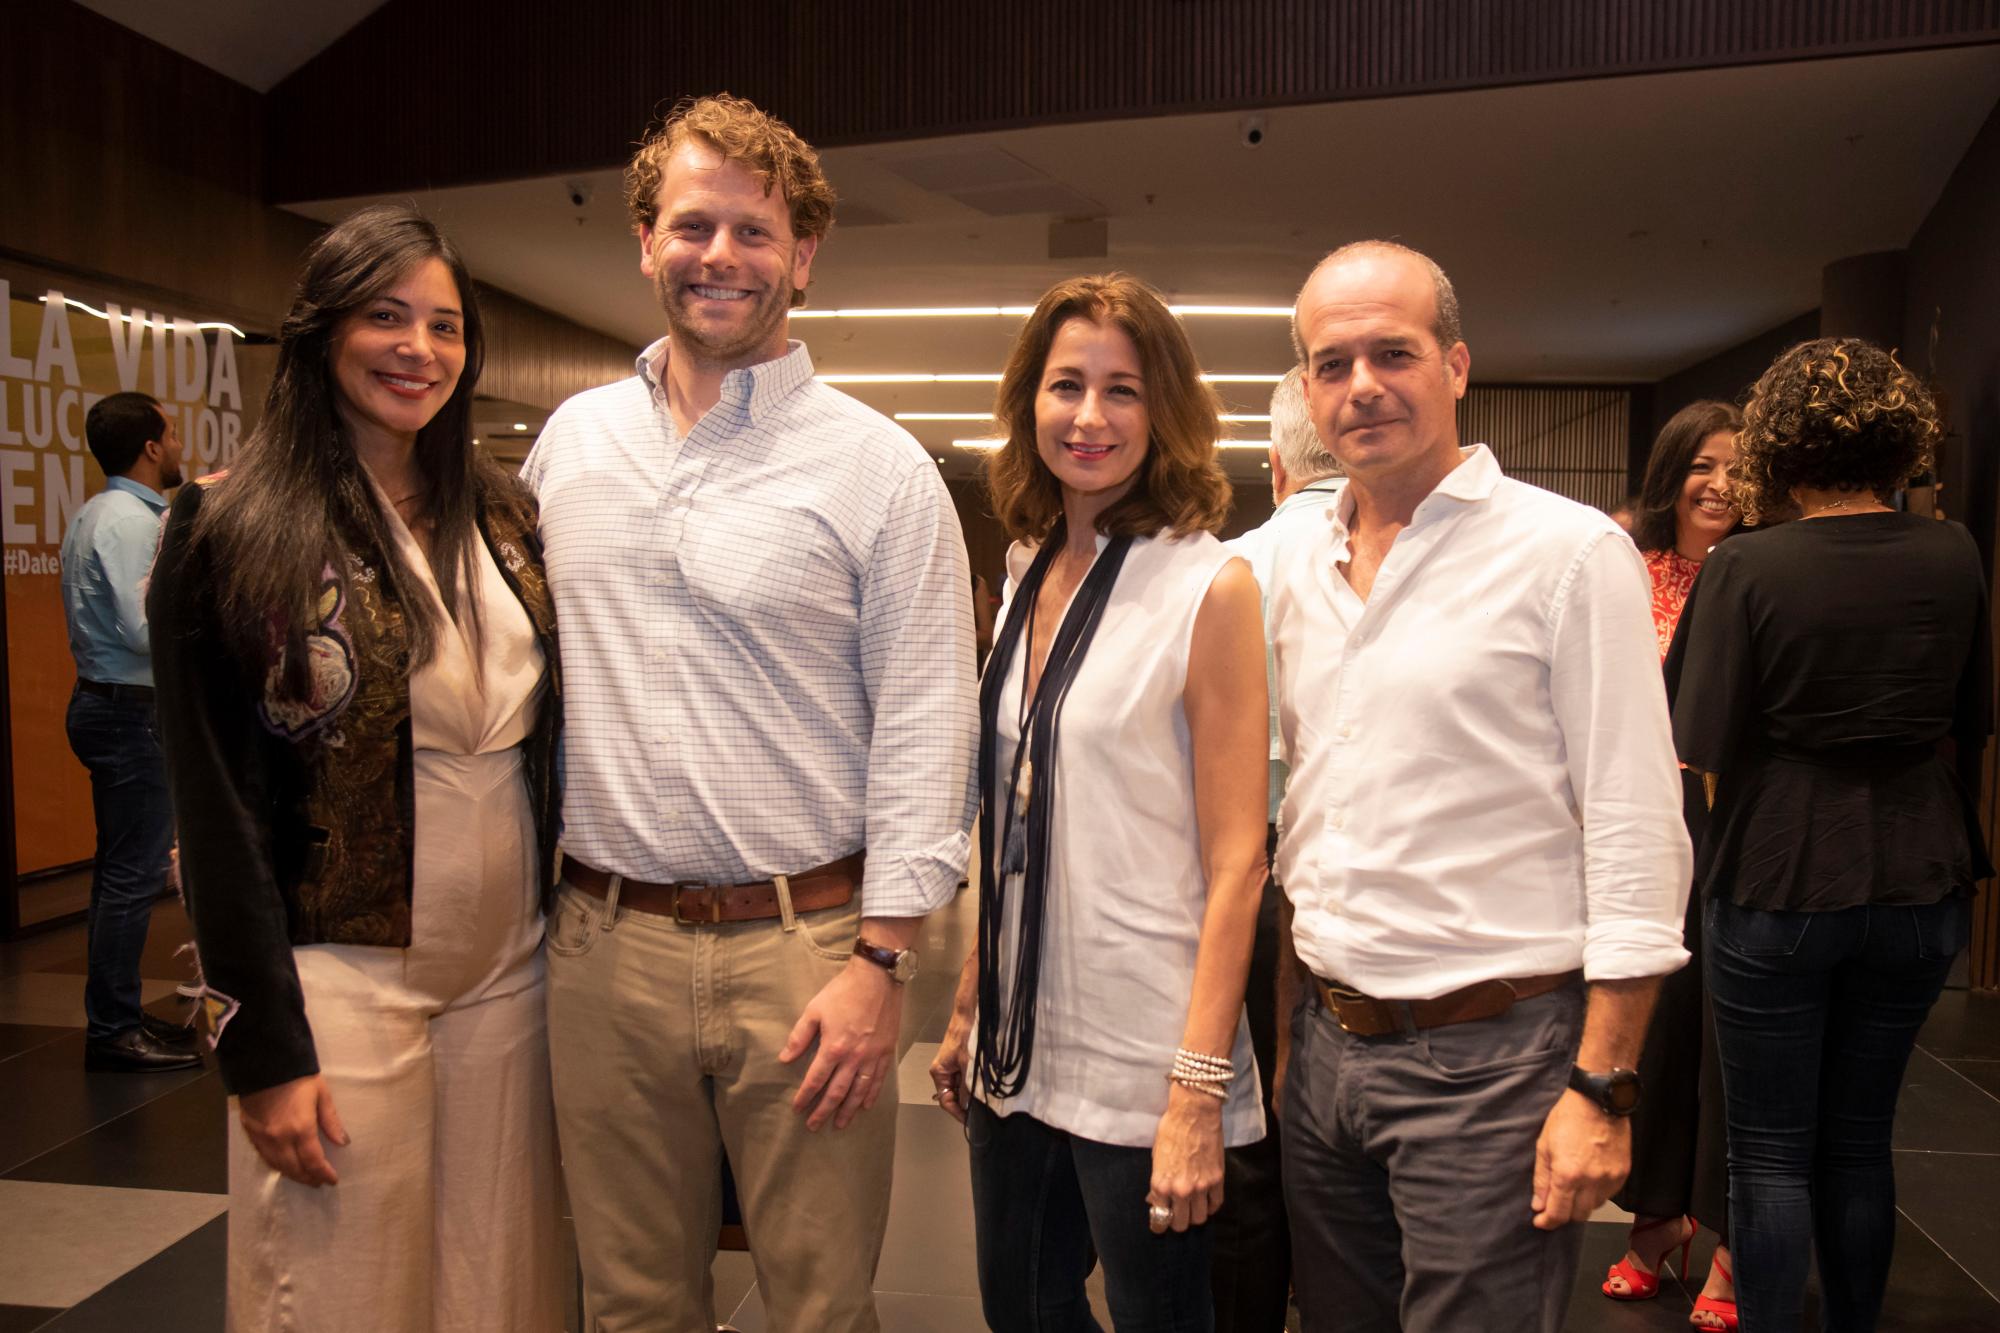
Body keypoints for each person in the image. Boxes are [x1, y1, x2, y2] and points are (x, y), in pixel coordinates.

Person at [523, 94, 977, 1333]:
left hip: (809, 953)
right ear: (643, 238)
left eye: (753, 233)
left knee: (820, 1306)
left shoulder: (879, 471)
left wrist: (884, 963)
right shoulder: (570, 446)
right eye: (692, 225)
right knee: (624, 1303)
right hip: (602, 946)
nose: (719, 255)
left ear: (803, 256)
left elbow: (930, 732)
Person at [149, 205, 563, 1331]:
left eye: (443, 324)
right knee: (341, 1279)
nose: (417, 349)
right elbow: (215, 804)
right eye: (386, 317)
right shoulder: (229, 525)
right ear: (323, 331)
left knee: (503, 1281)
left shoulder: (507, 516)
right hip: (341, 969)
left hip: (511, 966)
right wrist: (260, 1050)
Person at [1267, 240, 1691, 1333]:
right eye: (1330, 363)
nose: (1360, 385)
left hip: (1494, 1063)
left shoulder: (1565, 554)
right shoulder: (1290, 568)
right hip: (1323, 1056)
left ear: (1454, 364)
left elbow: (1638, 828)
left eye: (1390, 352)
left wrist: (1603, 1089)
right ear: (1306, 389)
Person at [927, 273, 1269, 1332]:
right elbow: (1020, 806)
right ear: (1027, 402)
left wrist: (1197, 1091)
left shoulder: (1208, 587)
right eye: (1065, 384)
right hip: (1022, 1037)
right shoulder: (1028, 569)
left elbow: (1237, 862)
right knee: (1021, 1308)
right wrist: (968, 997)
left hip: (1145, 1045)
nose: (1088, 417)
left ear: (1164, 411)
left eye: (1122, 390)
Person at [1671, 338, 1989, 1333]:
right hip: (1920, 873)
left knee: (1766, 1151)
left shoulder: (1745, 565)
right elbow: (1970, 715)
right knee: (1857, 1139)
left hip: (1774, 873)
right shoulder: (1955, 551)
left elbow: (1698, 734)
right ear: (1901, 439)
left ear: (1774, 444)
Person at [1605, 400, 1743, 1326]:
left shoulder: (1761, 571)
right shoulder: (1627, 565)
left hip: (1742, 833)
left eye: (1739, 466)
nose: (1721, 483)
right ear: (1670, 473)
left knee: (1735, 1049)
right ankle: (1656, 1221)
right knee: (1653, 1036)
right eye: (1702, 464)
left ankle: (1730, 1242)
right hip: (1649, 831)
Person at [1211, 364, 1343, 1331]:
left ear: (1274, 462)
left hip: (1247, 876)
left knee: (1248, 1131)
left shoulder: (1234, 566)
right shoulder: (1423, 557)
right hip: (1363, 891)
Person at [61, 391, 198, 1073]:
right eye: (171, 435)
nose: (177, 446)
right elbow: (145, 627)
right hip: (127, 712)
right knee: (130, 876)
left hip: (116, 707)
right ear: (150, 446)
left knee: (120, 873)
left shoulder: (108, 512)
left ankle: (114, 1014)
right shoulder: (125, 520)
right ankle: (112, 1028)